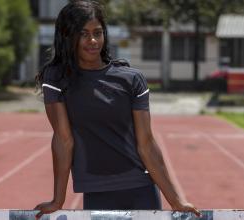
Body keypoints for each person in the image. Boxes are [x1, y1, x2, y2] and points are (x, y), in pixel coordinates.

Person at [33, 1, 200, 219]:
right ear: (68, 36)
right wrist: (58, 200)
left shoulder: (131, 79)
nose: (93, 41)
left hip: (141, 189)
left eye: (98, 33)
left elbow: (147, 143)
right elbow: (64, 140)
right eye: (83, 34)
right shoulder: (57, 78)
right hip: (97, 191)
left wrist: (176, 201)